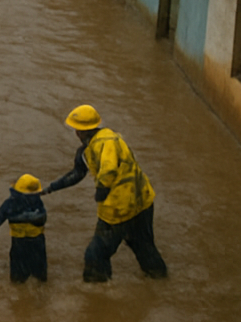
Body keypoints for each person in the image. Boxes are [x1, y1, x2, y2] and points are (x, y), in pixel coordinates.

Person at [45, 105, 166, 282]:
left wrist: (101, 191)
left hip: (118, 209)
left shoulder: (104, 143)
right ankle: (160, 281)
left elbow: (108, 169)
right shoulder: (104, 141)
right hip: (143, 201)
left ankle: (96, 295)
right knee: (144, 247)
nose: (76, 133)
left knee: (95, 254)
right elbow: (76, 174)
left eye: (77, 129)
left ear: (82, 130)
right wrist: (51, 188)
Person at [0, 174, 49, 283]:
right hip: (37, 245)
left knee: (17, 281)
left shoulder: (10, 204)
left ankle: (19, 298)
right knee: (41, 280)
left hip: (19, 246)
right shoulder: (38, 204)